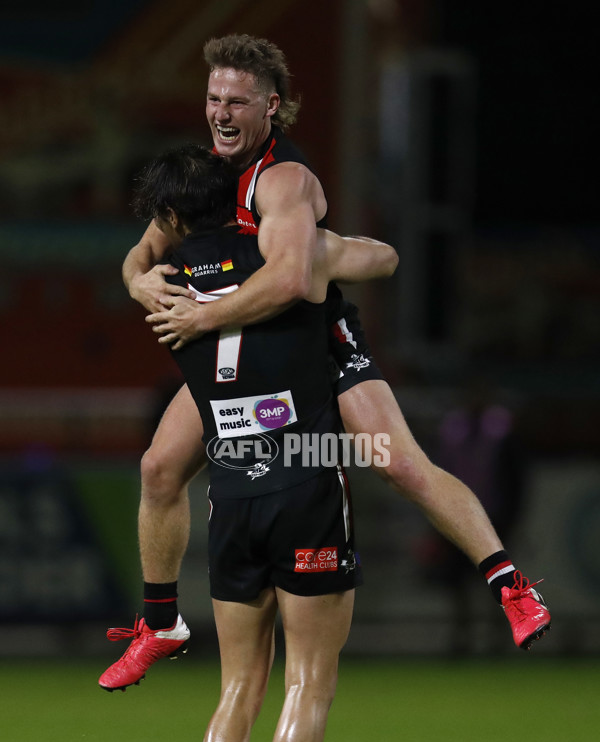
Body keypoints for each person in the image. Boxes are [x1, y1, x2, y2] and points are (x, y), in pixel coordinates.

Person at [99, 34, 550, 692]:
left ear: (270, 107)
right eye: (213, 98)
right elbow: (139, 256)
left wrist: (201, 315)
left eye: (237, 101)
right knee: (158, 467)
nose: (221, 113)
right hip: (250, 352)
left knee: (400, 464)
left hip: (315, 342)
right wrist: (140, 283)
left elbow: (289, 283)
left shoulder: (284, 180)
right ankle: (161, 623)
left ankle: (509, 585)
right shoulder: (203, 178)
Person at [126, 143, 398, 742]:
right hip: (303, 480)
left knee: (238, 686)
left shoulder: (170, 287)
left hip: (232, 496)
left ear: (174, 219)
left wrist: (145, 266)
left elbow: (139, 266)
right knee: (309, 679)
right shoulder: (292, 265)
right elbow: (382, 259)